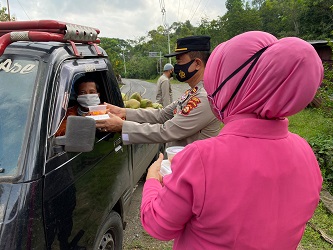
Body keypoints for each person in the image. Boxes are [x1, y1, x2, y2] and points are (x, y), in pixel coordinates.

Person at [141, 31, 323, 249]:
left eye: (217, 80)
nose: (212, 92)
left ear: (234, 85)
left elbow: (158, 224)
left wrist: (152, 179)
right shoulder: (305, 152)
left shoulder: (202, 158)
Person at [96, 36, 221, 147]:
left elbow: (167, 131)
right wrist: (122, 111)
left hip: (194, 169)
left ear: (197, 63)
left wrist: (123, 126)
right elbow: (162, 115)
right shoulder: (193, 92)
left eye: (179, 62)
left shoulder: (205, 97)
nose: (176, 68)